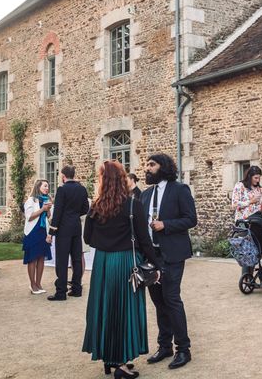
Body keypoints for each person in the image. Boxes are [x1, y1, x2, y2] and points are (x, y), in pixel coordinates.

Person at [82, 160, 161, 378]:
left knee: (106, 309)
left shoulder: (96, 206)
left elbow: (87, 237)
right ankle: (120, 364)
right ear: (121, 179)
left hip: (103, 264)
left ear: (102, 181)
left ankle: (110, 359)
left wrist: (106, 240)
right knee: (123, 311)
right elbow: (144, 240)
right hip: (126, 262)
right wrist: (156, 264)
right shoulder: (132, 204)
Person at [140, 153, 197, 369]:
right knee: (158, 301)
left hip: (172, 254)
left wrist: (166, 225)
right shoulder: (146, 195)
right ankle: (165, 346)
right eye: (147, 164)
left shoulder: (179, 190)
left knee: (171, 298)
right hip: (151, 257)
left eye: (151, 165)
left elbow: (191, 219)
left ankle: (183, 349)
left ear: (163, 167)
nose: (147, 168)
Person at [47, 165, 89, 301]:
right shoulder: (82, 189)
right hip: (76, 227)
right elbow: (85, 208)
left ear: (63, 176)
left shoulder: (62, 189)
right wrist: (74, 215)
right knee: (76, 258)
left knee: (62, 259)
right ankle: (77, 289)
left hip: (64, 229)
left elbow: (57, 211)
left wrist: (51, 231)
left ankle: (61, 292)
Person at [23, 179, 53, 295]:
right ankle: (32, 284)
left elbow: (48, 218)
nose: (47, 188)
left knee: (41, 258)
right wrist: (42, 209)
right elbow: (29, 217)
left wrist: (48, 210)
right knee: (33, 258)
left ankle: (39, 283)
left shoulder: (47, 200)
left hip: (43, 232)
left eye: (48, 186)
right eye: (45, 186)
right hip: (32, 232)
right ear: (38, 187)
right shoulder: (31, 200)